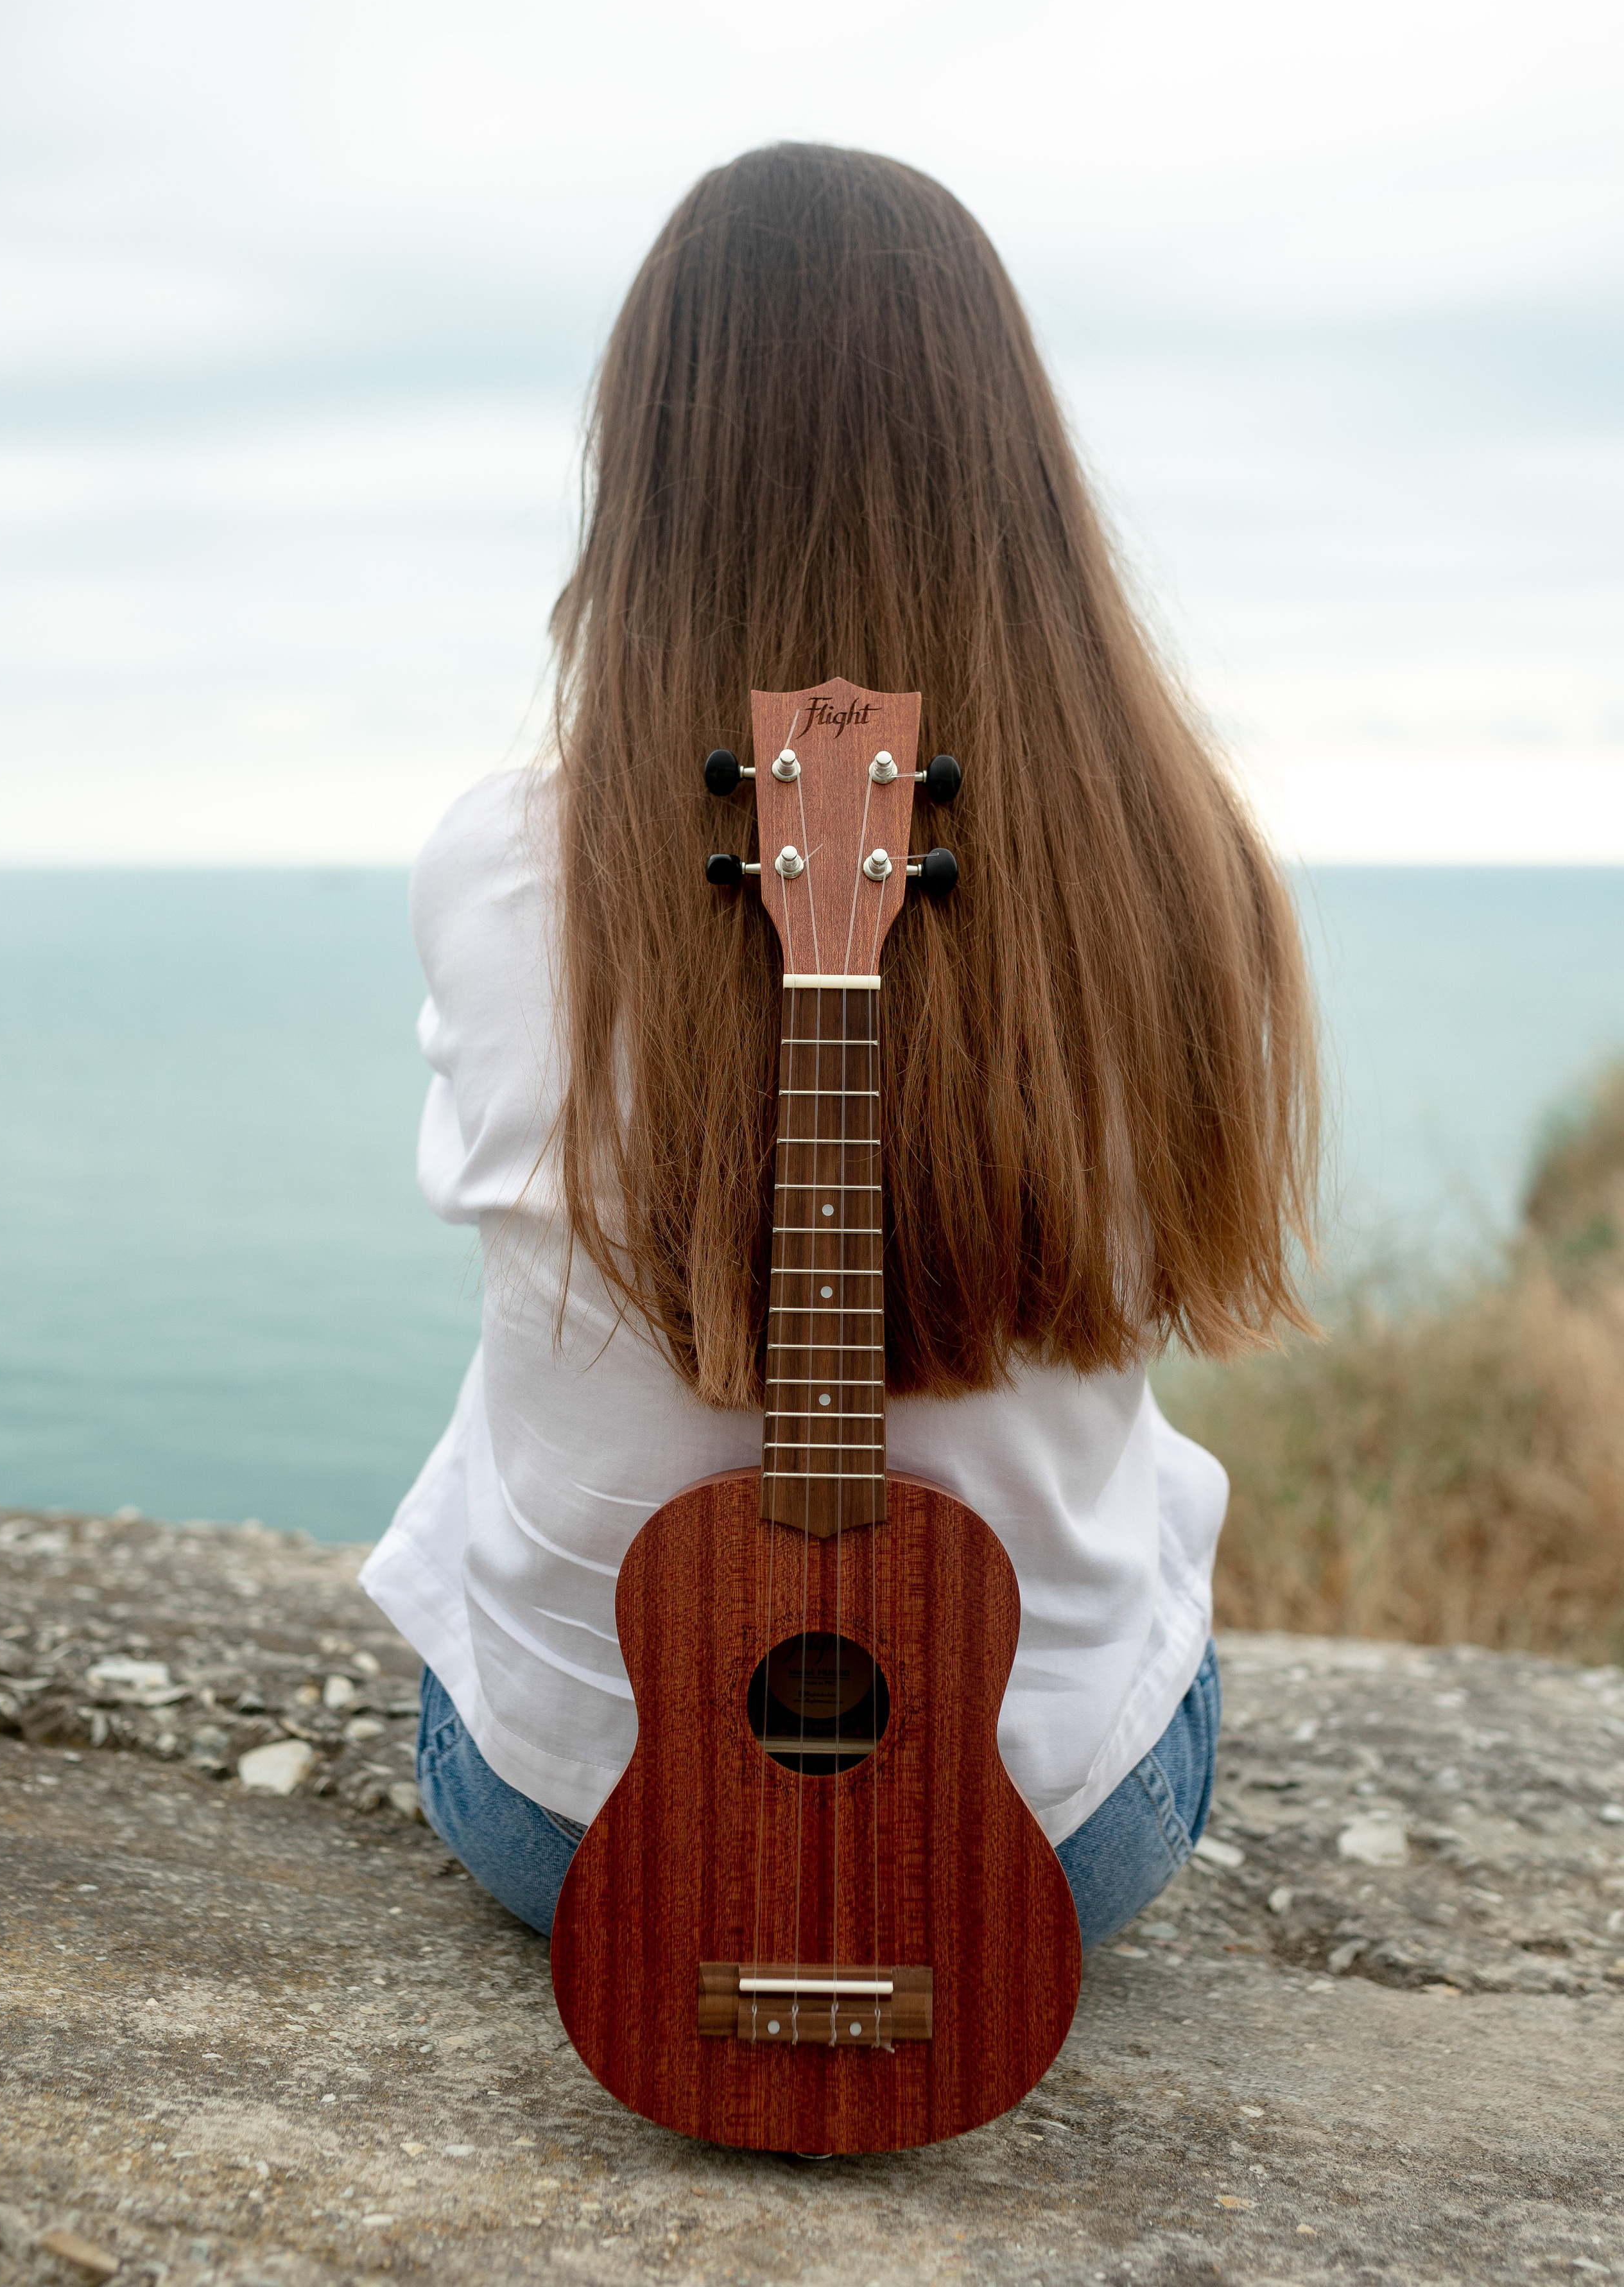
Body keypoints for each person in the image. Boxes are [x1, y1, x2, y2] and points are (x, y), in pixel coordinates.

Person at [361, 143, 1318, 1949]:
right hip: (1028, 1848)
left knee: (520, 1385)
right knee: (1131, 1489)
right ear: (1014, 473)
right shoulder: (1184, 872)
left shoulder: (506, 864)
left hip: (597, 1827)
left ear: (645, 471)